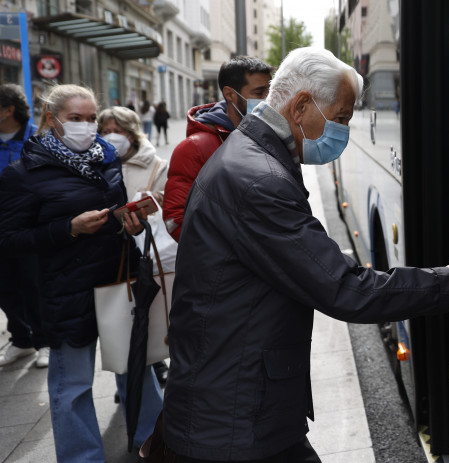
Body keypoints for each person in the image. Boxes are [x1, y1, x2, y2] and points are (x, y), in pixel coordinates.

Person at [160, 47, 449, 462]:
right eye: (340, 118)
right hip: (234, 422)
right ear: (300, 106)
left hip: (235, 406)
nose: (345, 132)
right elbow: (344, 287)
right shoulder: (258, 179)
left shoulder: (250, 153)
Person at [0, 84, 164, 462]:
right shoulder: (22, 175)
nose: (87, 127)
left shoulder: (105, 159)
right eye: (76, 119)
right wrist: (68, 228)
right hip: (63, 292)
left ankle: (157, 443)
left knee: (137, 366)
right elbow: (8, 240)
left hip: (115, 281)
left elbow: (116, 213)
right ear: (51, 120)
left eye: (91, 118)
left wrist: (131, 221)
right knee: (72, 386)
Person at [162, 56, 272, 240]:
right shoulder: (194, 148)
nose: (267, 100)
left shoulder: (269, 137)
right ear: (230, 94)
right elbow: (176, 221)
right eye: (259, 93)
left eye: (270, 92)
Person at [98, 105, 171, 384]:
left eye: (118, 131)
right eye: (106, 131)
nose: (112, 136)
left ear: (132, 133)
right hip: (109, 250)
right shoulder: (97, 163)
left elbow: (170, 204)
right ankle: (130, 371)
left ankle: (155, 359)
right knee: (121, 311)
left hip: (145, 248)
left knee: (149, 305)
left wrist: (155, 201)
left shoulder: (157, 165)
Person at [0, 84, 48, 368]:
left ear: (8, 110)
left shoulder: (37, 138)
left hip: (29, 226)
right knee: (4, 287)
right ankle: (21, 339)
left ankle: (44, 340)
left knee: (33, 285)